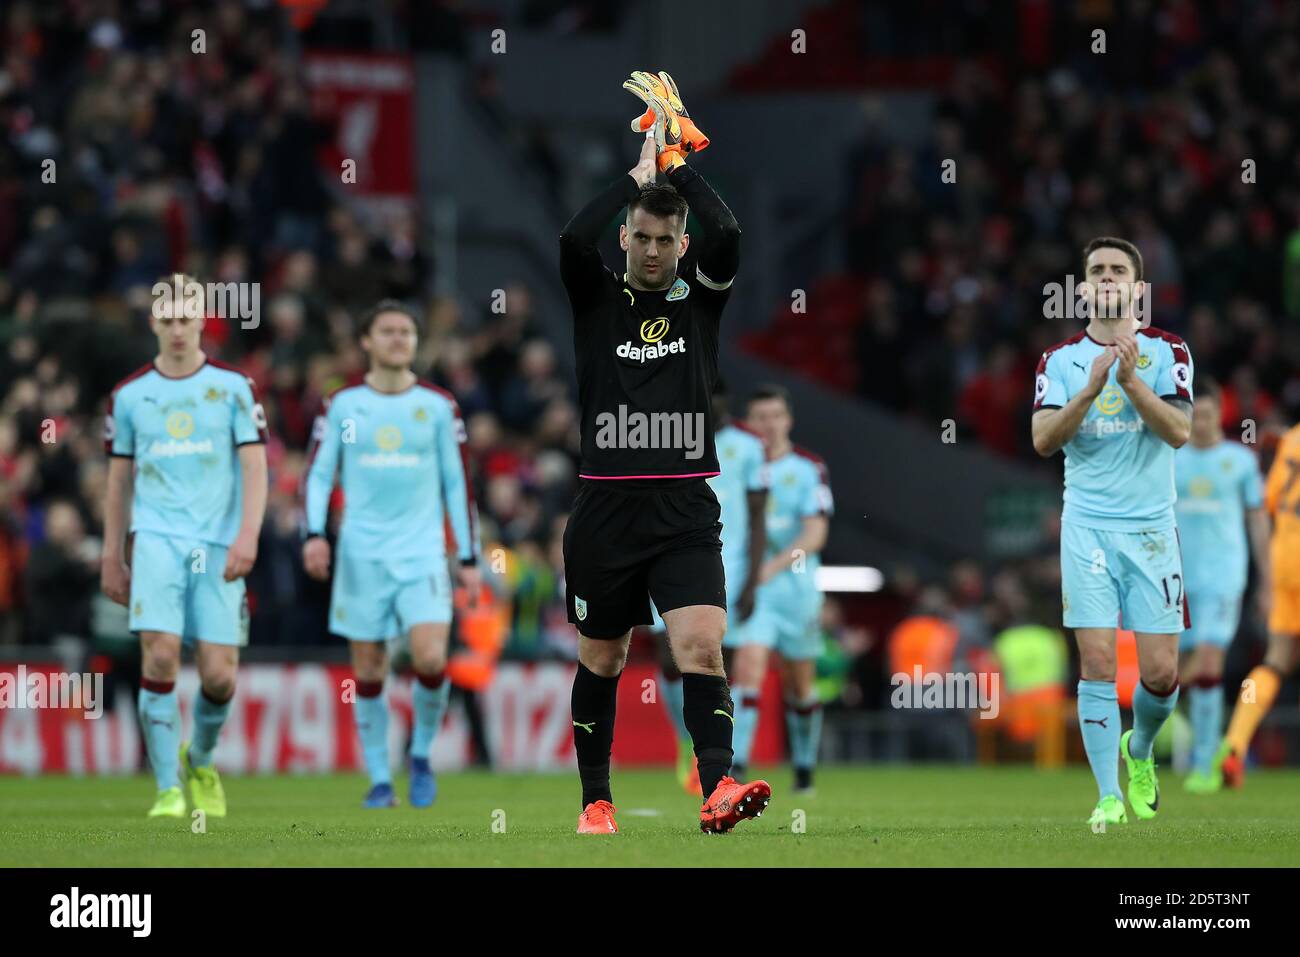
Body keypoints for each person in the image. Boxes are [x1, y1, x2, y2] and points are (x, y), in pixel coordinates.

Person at [559, 87, 768, 834]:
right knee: (604, 658)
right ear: (627, 238)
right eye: (641, 237)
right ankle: (596, 799)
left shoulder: (698, 301)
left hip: (683, 505)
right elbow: (571, 242)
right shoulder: (595, 299)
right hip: (606, 508)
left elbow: (732, 233)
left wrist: (678, 171)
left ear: (681, 244)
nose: (652, 250)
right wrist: (636, 174)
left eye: (664, 240)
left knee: (700, 644)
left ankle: (716, 786)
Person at [1030, 238, 1194, 828]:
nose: (1105, 280)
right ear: (1082, 288)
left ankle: (1140, 750)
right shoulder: (1060, 361)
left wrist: (1131, 384)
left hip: (1152, 528)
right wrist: (1091, 390)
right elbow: (1044, 440)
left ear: (1136, 289)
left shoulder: (1168, 350)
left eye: (1116, 271)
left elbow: (1179, 431)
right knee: (1097, 660)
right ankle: (1107, 795)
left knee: (1160, 674)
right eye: (1095, 271)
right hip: (1088, 528)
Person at [101, 275, 268, 818]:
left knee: (220, 674)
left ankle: (200, 756)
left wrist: (249, 533)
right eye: (167, 319)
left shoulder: (235, 388)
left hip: (219, 544)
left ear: (202, 321)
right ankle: (168, 789)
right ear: (153, 322)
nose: (177, 328)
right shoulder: (129, 397)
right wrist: (112, 555)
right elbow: (119, 482)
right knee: (162, 654)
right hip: (155, 542)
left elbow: (255, 465)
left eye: (186, 318)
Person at [302, 300, 481, 808]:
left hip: (423, 554)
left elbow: (457, 484)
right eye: (388, 331)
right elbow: (318, 474)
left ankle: (420, 756)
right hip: (361, 556)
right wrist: (313, 534)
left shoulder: (438, 406)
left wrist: (468, 559)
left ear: (416, 342)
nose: (399, 339)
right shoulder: (342, 404)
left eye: (406, 331)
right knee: (371, 671)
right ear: (366, 340)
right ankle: (380, 779)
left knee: (430, 658)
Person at [649, 377, 767, 796]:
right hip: (670, 557)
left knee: (718, 663)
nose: (710, 405)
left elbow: (758, 517)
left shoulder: (749, 447)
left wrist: (753, 579)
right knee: (668, 660)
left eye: (716, 398)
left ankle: (715, 756)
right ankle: (687, 741)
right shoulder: (664, 432)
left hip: (729, 566)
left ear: (724, 402)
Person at [1172, 379, 1269, 792]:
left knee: (1210, 662)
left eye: (1210, 415)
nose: (1203, 423)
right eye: (1196, 415)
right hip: (1174, 578)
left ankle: (1205, 761)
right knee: (1169, 675)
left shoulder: (1240, 461)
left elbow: (1257, 519)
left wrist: (1266, 579)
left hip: (1225, 577)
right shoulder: (1169, 457)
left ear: (1221, 414)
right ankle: (1221, 747)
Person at [736, 385, 833, 794]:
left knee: (799, 684)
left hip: (796, 590)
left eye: (775, 415)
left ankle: (805, 769)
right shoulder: (737, 466)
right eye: (760, 417)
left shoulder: (809, 468)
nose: (768, 424)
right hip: (754, 592)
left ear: (788, 420)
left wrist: (771, 567)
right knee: (748, 670)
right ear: (748, 424)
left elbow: (815, 534)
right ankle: (734, 771)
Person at [1214, 422, 1300, 788]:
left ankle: (1234, 743)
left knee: (1275, 662)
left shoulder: (1294, 437)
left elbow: (1270, 500)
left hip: (1285, 558)